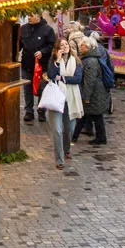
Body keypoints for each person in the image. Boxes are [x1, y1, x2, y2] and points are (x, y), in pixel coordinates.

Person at [45, 36, 82, 168]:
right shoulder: (54, 60)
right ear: (57, 49)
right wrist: (58, 61)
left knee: (70, 129)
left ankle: (67, 149)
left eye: (66, 44)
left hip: (71, 98)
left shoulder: (75, 60)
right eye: (61, 45)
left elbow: (77, 78)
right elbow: (50, 75)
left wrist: (61, 78)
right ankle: (59, 160)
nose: (65, 47)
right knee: (57, 130)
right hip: (56, 98)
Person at [17, 13, 56, 124]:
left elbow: (51, 45)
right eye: (28, 15)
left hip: (42, 66)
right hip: (27, 64)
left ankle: (41, 110)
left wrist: (42, 52)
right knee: (27, 88)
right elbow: (19, 44)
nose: (29, 17)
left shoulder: (47, 30)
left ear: (38, 17)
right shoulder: (23, 29)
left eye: (32, 15)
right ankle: (29, 111)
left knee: (42, 88)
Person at [74, 38, 109, 145]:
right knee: (91, 115)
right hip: (95, 92)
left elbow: (89, 80)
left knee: (94, 115)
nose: (81, 47)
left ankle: (100, 138)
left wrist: (87, 96)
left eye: (83, 45)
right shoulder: (90, 59)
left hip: (94, 93)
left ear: (89, 47)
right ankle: (75, 136)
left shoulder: (90, 61)